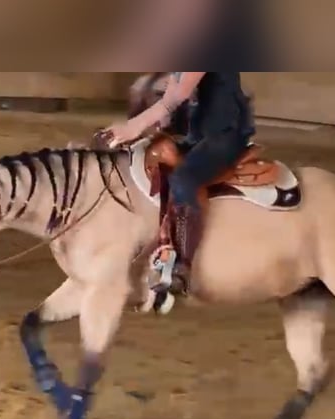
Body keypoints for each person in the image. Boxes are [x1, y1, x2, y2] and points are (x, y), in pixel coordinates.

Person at [105, 72, 255, 292]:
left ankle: (181, 266)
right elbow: (173, 89)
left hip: (224, 135)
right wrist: (157, 121)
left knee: (185, 179)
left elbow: (179, 94)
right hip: (197, 134)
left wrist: (134, 126)